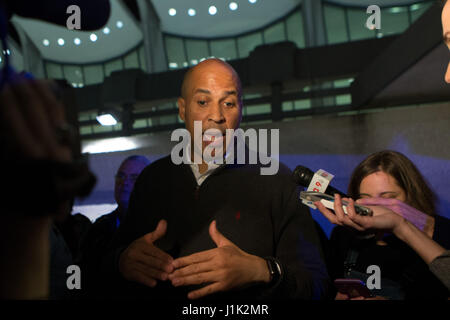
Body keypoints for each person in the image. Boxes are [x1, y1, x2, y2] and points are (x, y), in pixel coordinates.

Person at [100, 58, 331, 300]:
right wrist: (121, 262)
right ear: (182, 109)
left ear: (241, 109)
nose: (216, 116)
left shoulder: (278, 180)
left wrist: (261, 271)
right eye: (202, 102)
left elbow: (317, 285)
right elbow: (104, 269)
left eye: (228, 103)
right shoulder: (152, 179)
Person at [315, 151, 450, 299]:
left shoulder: (439, 233)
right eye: (365, 199)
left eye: (387, 198)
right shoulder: (343, 237)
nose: (374, 208)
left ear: (410, 195)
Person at [81, 155, 150, 297]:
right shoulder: (99, 228)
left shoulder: (160, 227)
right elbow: (80, 274)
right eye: (121, 176)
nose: (124, 183)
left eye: (134, 178)